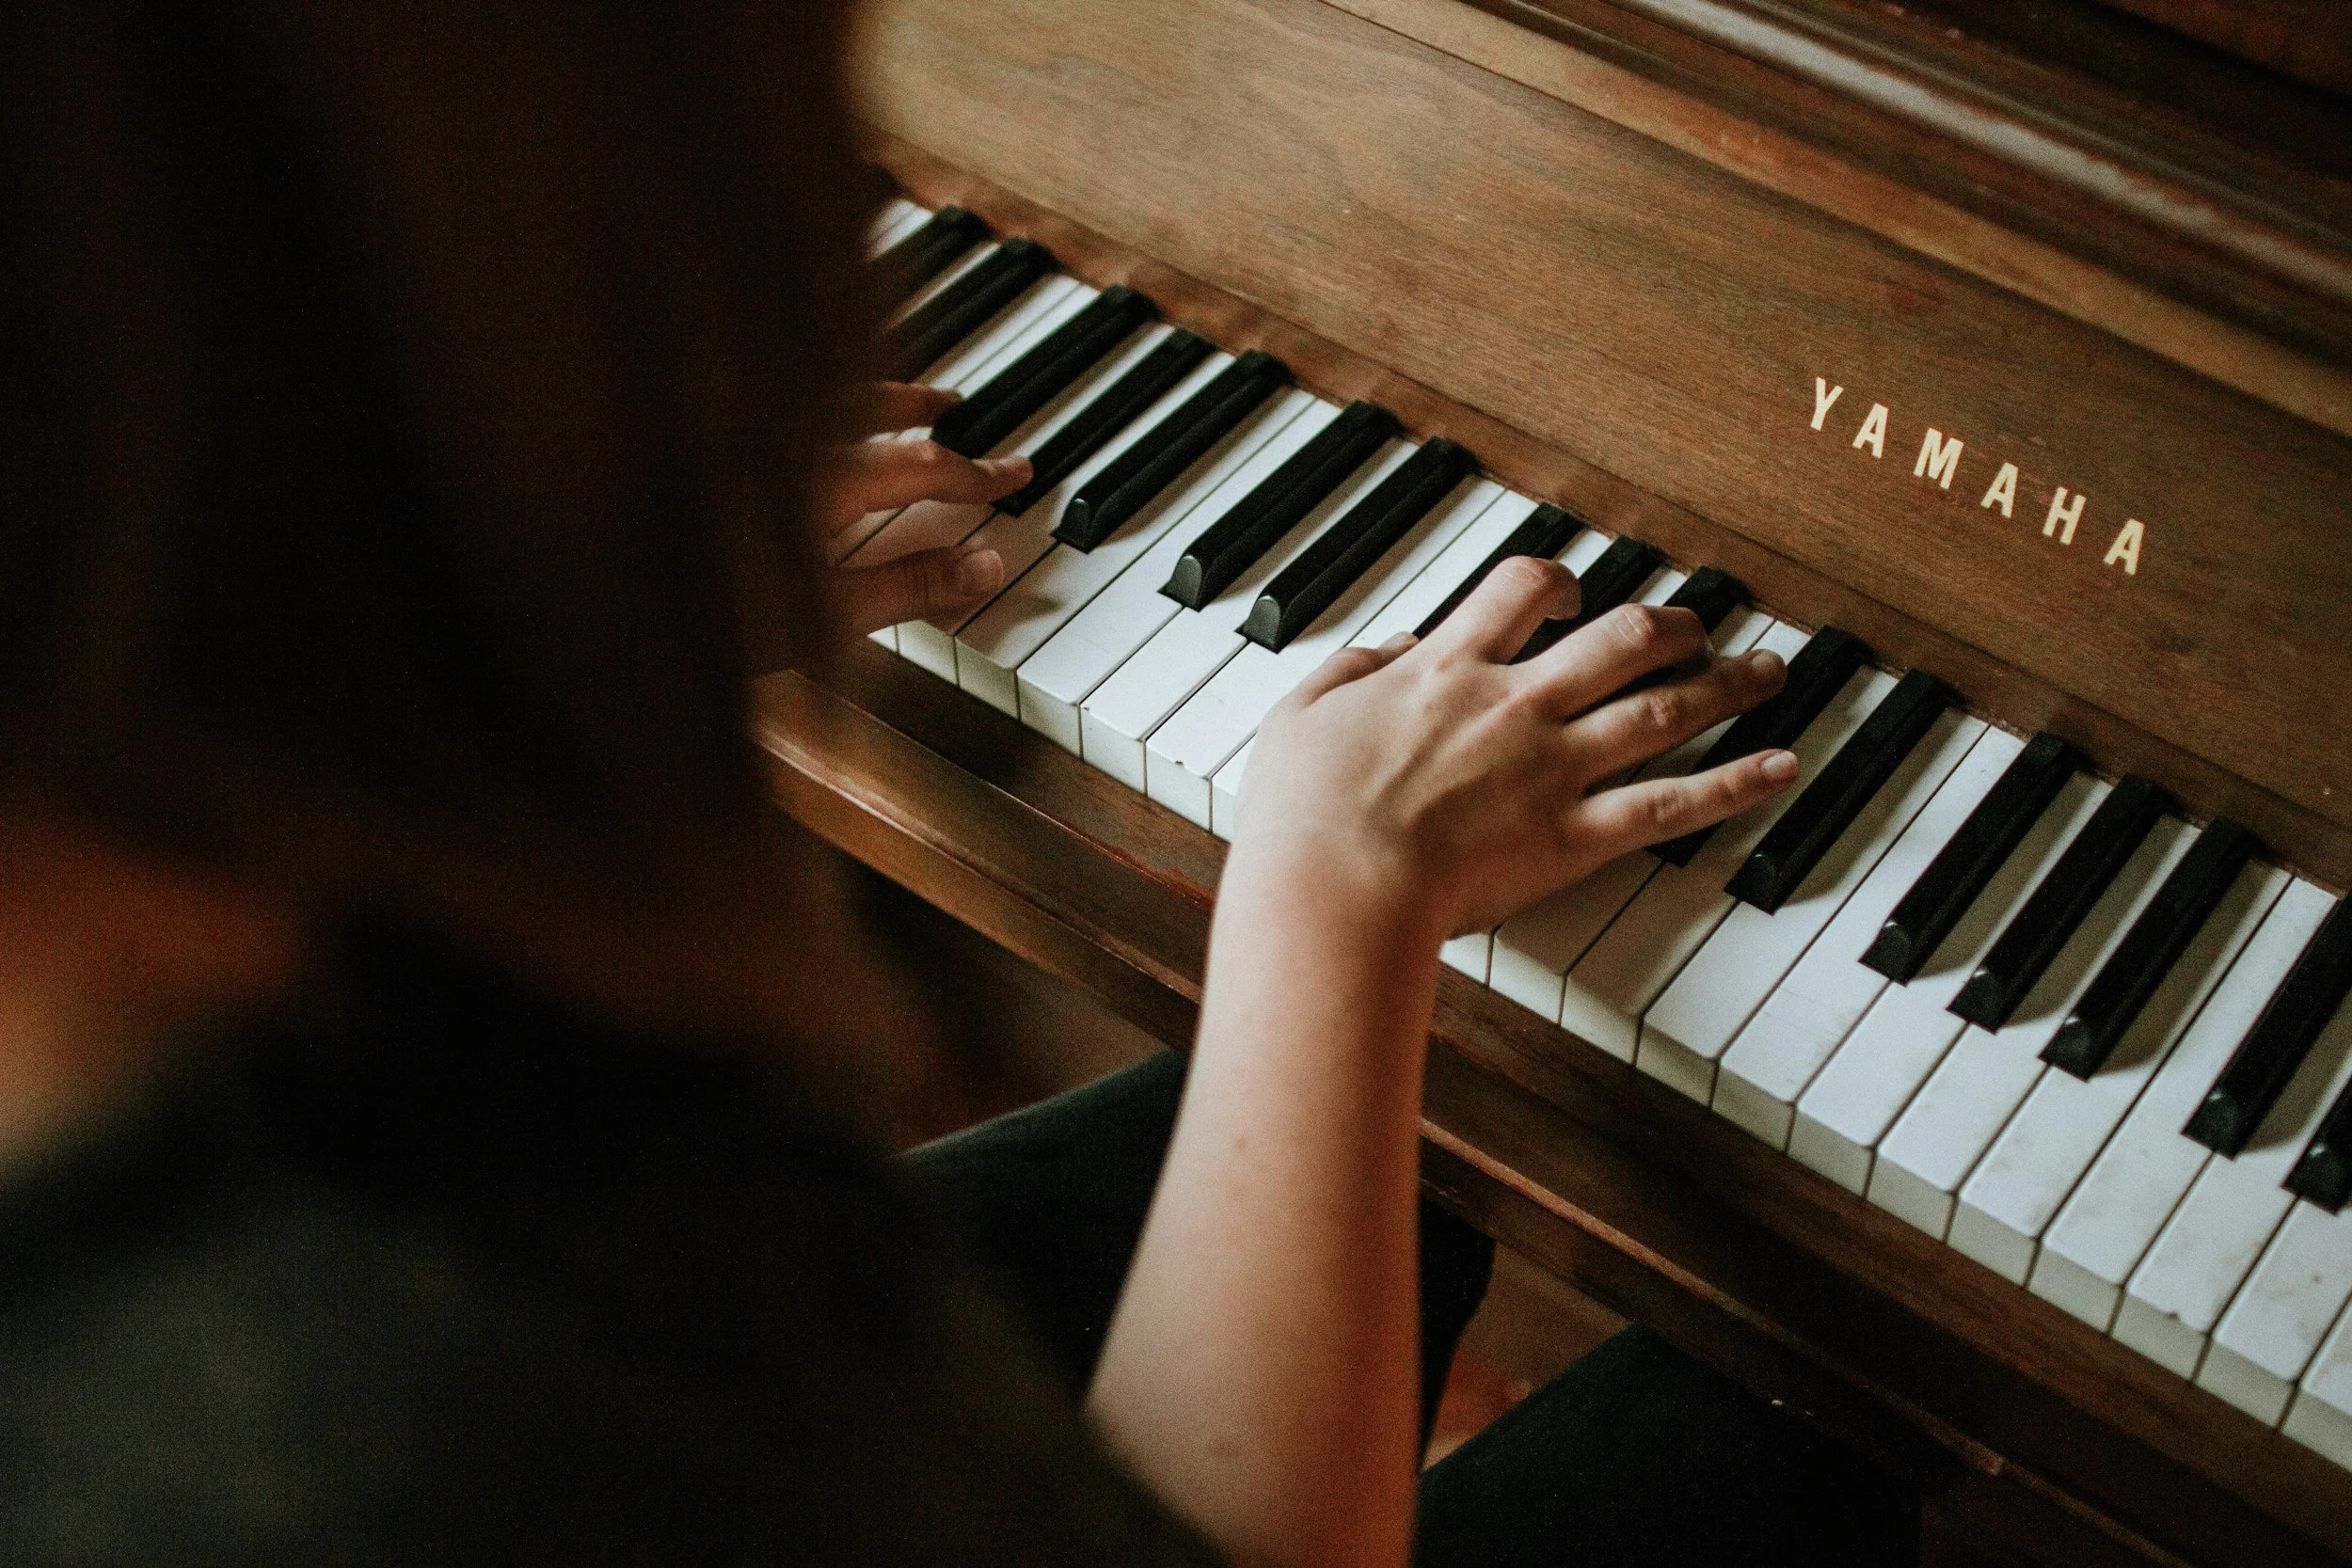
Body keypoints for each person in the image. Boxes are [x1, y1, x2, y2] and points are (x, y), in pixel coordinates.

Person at [0, 2, 1915, 1563]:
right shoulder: (373, 1411)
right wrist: (1331, 898)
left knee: (1422, 1165)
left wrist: (593, 619)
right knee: (1798, 1414)